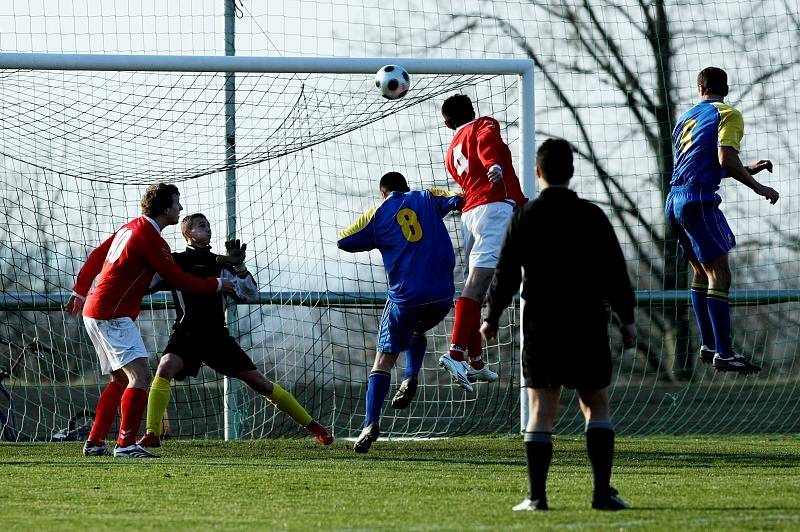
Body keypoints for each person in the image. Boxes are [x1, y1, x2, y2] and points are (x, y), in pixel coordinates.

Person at [480, 139, 636, 511]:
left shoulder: (526, 215)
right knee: (595, 405)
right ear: (571, 172)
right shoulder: (592, 215)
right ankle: (601, 494)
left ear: (538, 172)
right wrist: (626, 318)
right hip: (587, 321)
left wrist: (491, 316)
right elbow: (616, 271)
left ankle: (537, 497)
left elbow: (505, 271)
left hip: (541, 323)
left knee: (541, 409)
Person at [64, 183, 234, 458]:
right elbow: (179, 280)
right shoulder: (150, 239)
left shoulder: (131, 227)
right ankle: (126, 444)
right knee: (140, 375)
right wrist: (216, 284)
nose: (180, 208)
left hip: (96, 310)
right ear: (166, 208)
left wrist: (80, 290)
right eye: (177, 203)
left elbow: (98, 255)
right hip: (111, 314)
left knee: (121, 379)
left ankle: (95, 442)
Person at [137, 213, 333, 448]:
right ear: (187, 233)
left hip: (216, 336)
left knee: (260, 383)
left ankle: (316, 428)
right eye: (201, 226)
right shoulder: (175, 261)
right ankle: (152, 434)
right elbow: (145, 285)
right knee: (165, 368)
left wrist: (239, 265)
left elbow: (249, 292)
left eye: (209, 225)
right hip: (186, 333)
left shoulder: (221, 263)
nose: (208, 229)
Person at [338, 172, 462, 453]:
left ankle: (370, 424)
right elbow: (458, 199)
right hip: (442, 298)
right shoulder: (427, 196)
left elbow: (344, 240)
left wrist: (378, 235)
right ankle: (410, 376)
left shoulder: (379, 212)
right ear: (406, 186)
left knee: (382, 361)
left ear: (383, 193)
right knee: (418, 329)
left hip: (406, 300)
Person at [666, 67, 779, 373]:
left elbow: (702, 160)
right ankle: (725, 353)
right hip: (699, 200)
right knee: (721, 276)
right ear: (726, 88)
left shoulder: (685, 118)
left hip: (675, 201)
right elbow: (724, 158)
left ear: (699, 87)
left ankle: (709, 345)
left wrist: (748, 168)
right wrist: (759, 187)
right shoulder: (728, 114)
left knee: (702, 274)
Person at [438, 94, 528, 393]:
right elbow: (487, 147)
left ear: (448, 122)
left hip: (471, 215)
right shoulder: (484, 124)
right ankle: (455, 353)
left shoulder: (451, 150)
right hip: (493, 207)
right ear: (472, 112)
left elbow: (465, 177)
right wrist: (494, 166)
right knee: (477, 285)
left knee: (474, 285)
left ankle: (475, 362)